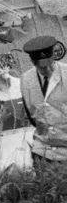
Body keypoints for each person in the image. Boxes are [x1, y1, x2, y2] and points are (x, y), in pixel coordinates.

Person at [19, 35, 67, 173]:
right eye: (41, 67)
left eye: (48, 65)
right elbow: (31, 115)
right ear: (33, 62)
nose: (46, 70)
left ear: (53, 57)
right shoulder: (26, 79)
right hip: (43, 152)